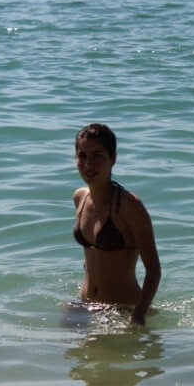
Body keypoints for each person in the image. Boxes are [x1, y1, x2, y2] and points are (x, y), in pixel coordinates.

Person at [73, 123, 162, 326]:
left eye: (97, 155)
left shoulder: (130, 206)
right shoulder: (80, 198)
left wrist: (138, 315)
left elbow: (154, 269)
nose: (88, 164)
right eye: (82, 156)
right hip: (85, 304)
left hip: (122, 310)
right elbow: (92, 256)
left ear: (113, 159)